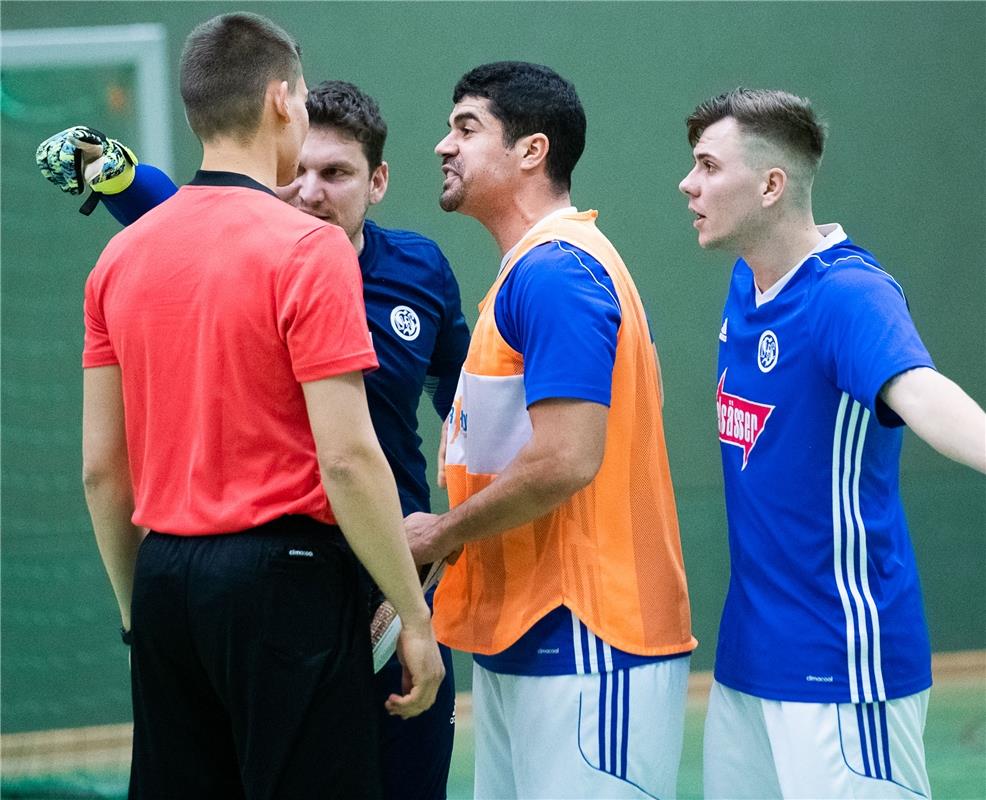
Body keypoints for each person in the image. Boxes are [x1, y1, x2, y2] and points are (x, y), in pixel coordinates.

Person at [39, 79, 469, 800]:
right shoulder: (242, 251)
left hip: (397, 597)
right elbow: (173, 213)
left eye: (335, 174)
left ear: (379, 181)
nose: (308, 191)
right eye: (296, 171)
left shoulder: (421, 270)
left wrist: (451, 534)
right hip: (292, 594)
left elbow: (468, 409)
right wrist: (116, 173)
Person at [678, 87, 986, 799]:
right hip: (750, 662)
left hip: (842, 665)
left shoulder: (848, 294)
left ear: (770, 184)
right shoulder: (749, 285)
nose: (688, 184)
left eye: (707, 165)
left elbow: (922, 395)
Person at [404, 61, 696, 799]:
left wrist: (440, 534)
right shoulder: (527, 272)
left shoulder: (557, 271)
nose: (444, 145)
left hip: (591, 635)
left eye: (467, 128)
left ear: (532, 150)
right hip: (529, 635)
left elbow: (566, 460)